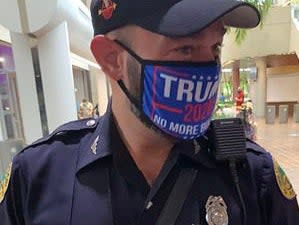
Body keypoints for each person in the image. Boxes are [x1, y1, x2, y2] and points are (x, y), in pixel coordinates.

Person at [1, 0, 299, 224]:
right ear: (111, 58)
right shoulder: (37, 178)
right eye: (185, 49)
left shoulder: (250, 175)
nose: (208, 69)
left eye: (215, 49)